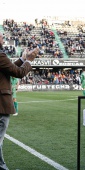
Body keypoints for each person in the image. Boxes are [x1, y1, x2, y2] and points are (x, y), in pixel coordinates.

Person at [0, 31, 39, 170]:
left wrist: (22, 60)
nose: (2, 38)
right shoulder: (0, 55)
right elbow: (18, 72)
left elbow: (8, 69)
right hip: (1, 105)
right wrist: (29, 61)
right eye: (0, 36)